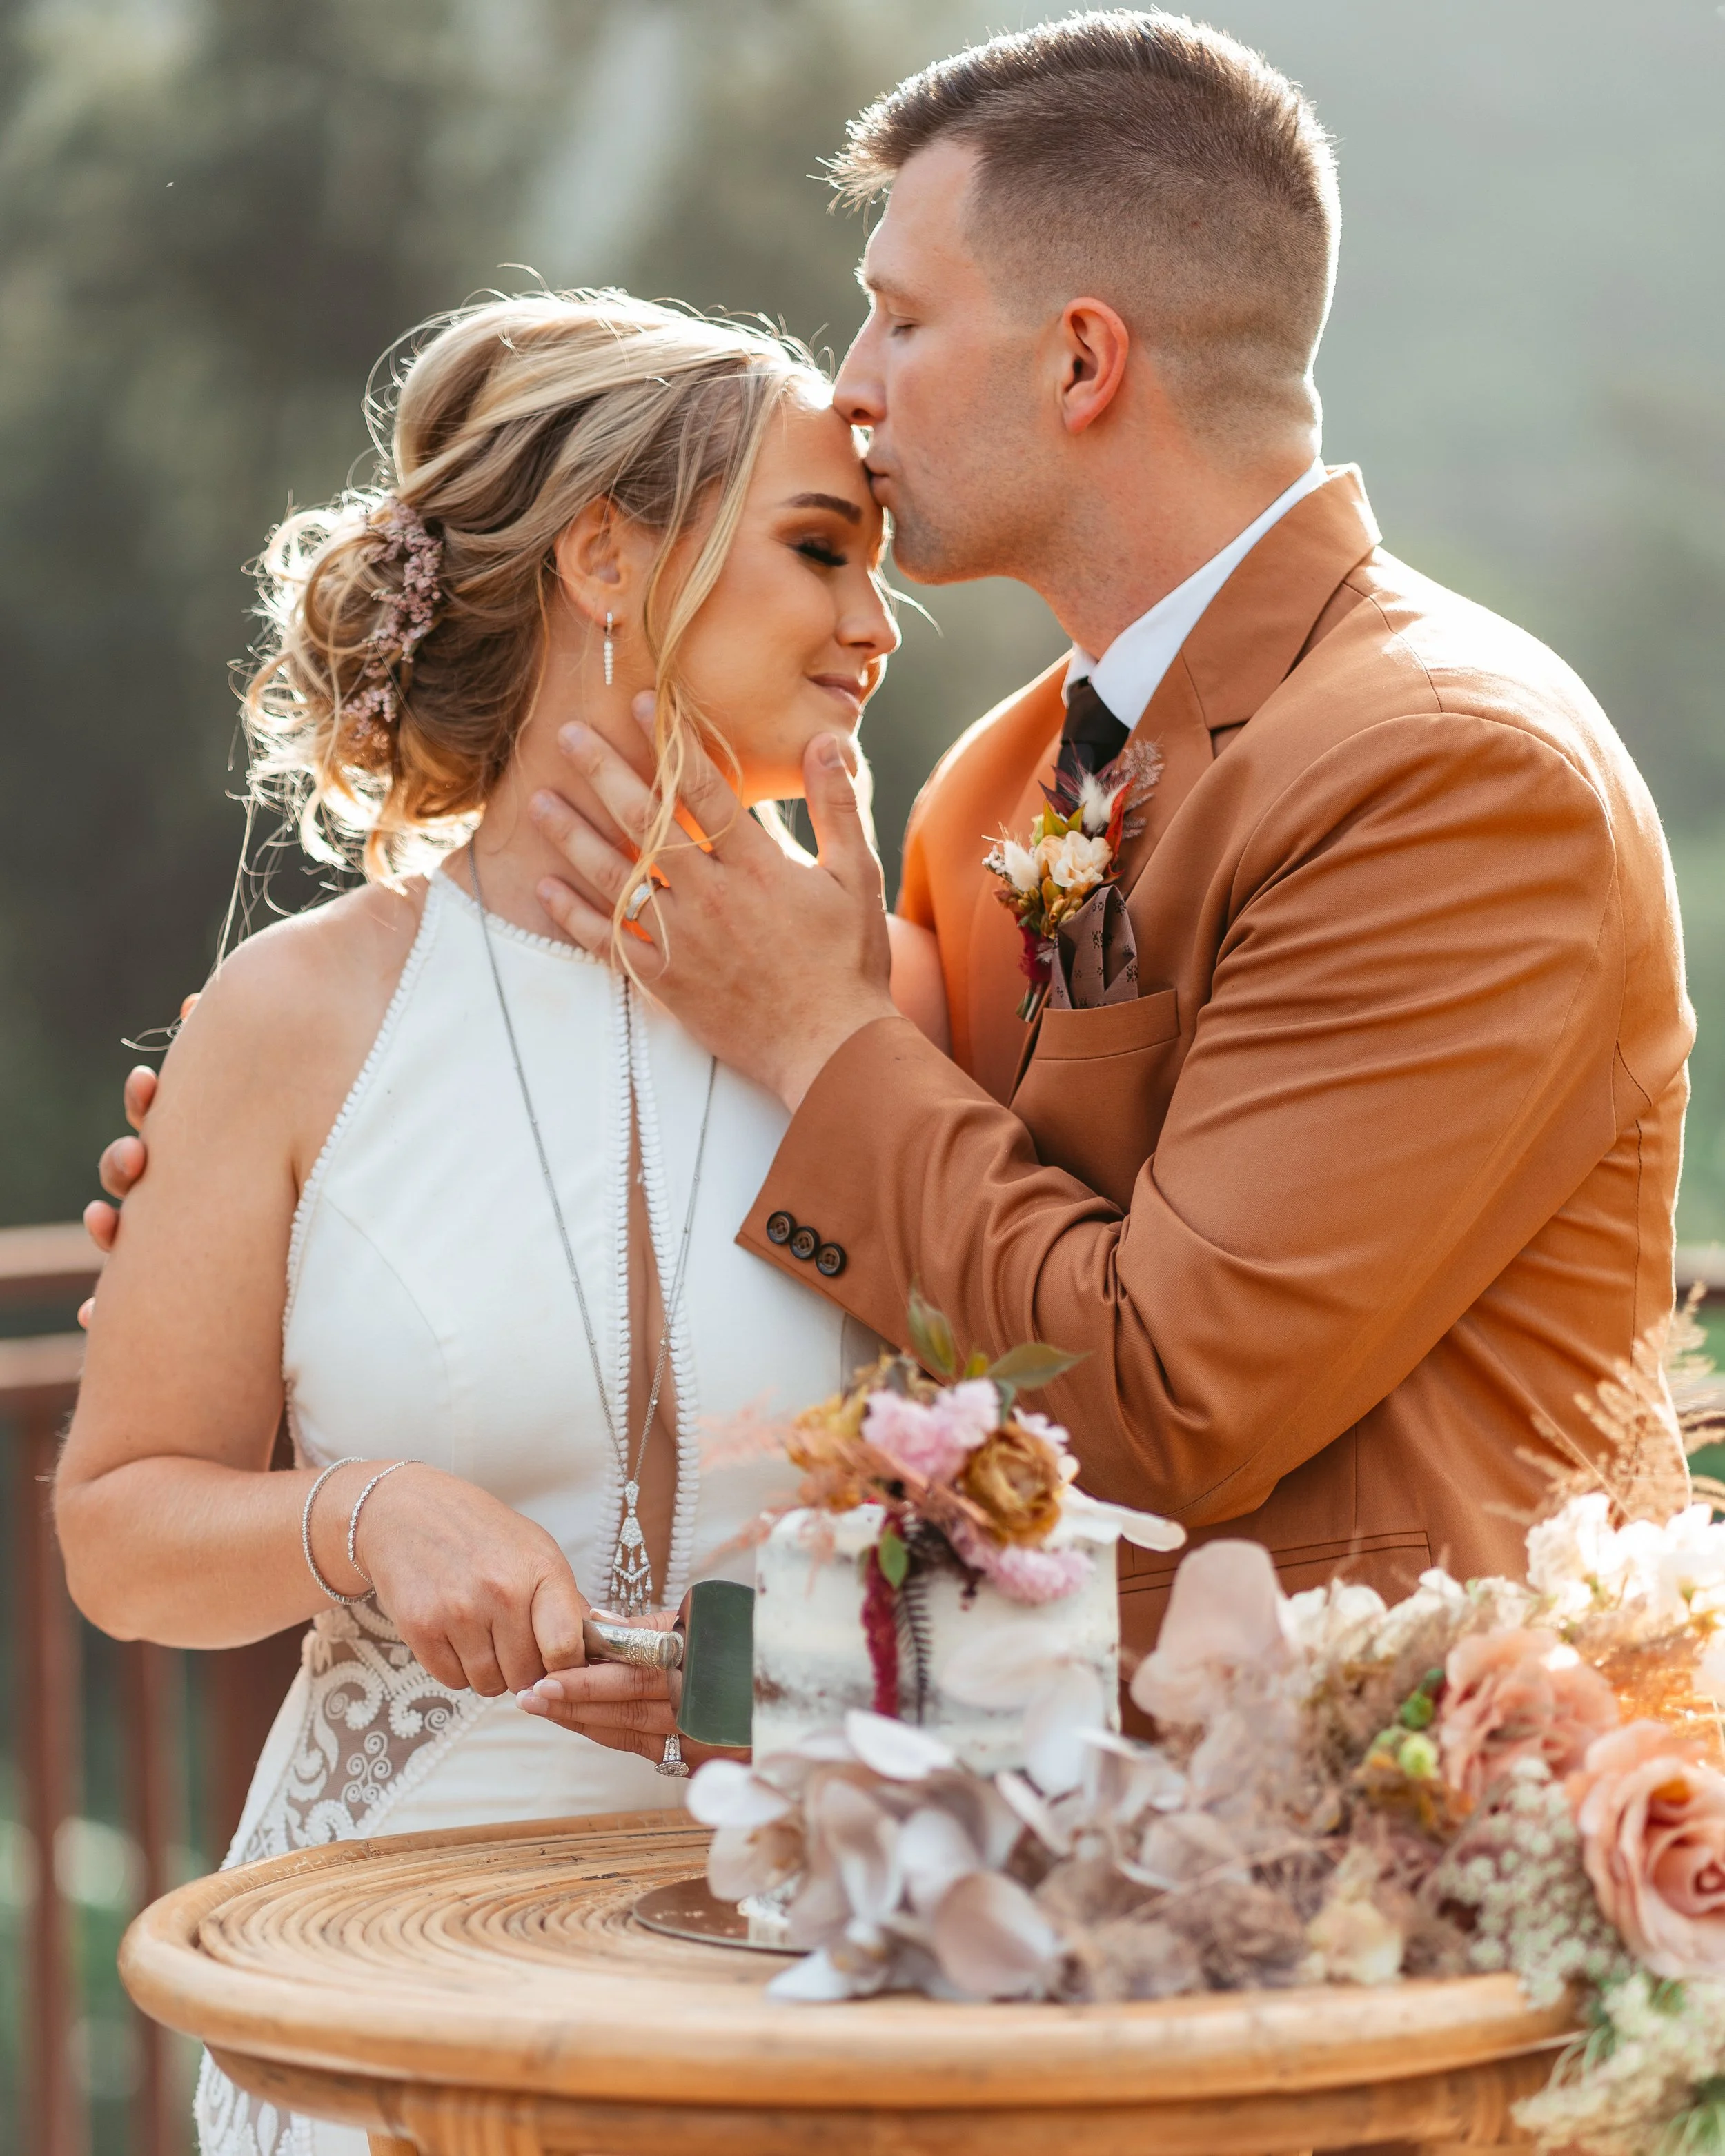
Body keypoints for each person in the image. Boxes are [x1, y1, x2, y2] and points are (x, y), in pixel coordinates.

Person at [500, 10, 1694, 1689]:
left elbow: (1158, 1402)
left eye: (900, 319)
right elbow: (923, 1325)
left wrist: (810, 1031)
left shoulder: (1450, 772)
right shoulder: (991, 782)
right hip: (1012, 1809)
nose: (849, 388)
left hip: (1388, 1835)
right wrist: (318, 1193)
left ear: (1080, 361)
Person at [58, 289, 908, 2156]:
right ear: (605, 558)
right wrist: (360, 1515)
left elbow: (1024, 1502)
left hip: (806, 1990)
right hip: (375, 2005)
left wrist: (745, 1670)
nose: (873, 623)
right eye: (820, 546)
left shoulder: (903, 1007)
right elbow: (122, 1531)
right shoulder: (300, 1014)